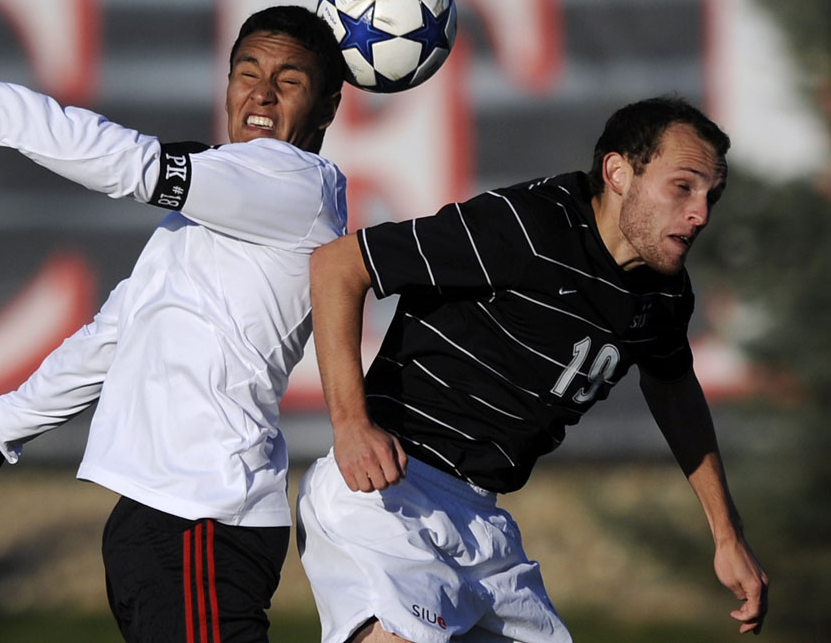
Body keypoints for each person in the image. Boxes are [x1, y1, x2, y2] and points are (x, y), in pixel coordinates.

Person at [0, 4, 347, 643]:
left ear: (327, 108)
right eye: (247, 72)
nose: (260, 93)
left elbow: (133, 164)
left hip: (203, 514)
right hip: (158, 519)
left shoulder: (297, 183)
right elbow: (116, 334)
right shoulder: (217, 205)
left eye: (289, 81)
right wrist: (0, 424)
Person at [297, 96, 769, 643]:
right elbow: (338, 265)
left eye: (713, 195)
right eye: (683, 187)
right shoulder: (528, 226)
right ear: (618, 173)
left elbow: (673, 388)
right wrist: (352, 424)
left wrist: (727, 534)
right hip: (389, 494)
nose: (700, 213)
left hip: (482, 520)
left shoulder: (664, 293)